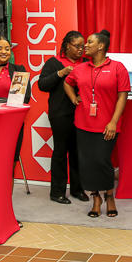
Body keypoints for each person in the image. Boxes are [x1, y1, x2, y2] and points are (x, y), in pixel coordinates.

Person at [64, 30, 130, 218]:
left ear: (101, 46)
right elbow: (67, 83)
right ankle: (96, 198)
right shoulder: (80, 68)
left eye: (90, 42)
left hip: (107, 125)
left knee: (102, 161)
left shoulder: (117, 68)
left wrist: (113, 122)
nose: (85, 45)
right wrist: (74, 99)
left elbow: (122, 96)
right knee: (87, 163)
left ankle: (109, 195)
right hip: (83, 124)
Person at [39, 31, 89, 204]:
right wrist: (60, 73)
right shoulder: (54, 63)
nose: (80, 50)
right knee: (60, 152)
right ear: (67, 45)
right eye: (77, 46)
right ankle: (57, 192)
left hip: (82, 114)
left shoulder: (86, 64)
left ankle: (77, 189)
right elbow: (42, 85)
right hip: (60, 114)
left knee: (78, 152)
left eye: (83, 47)